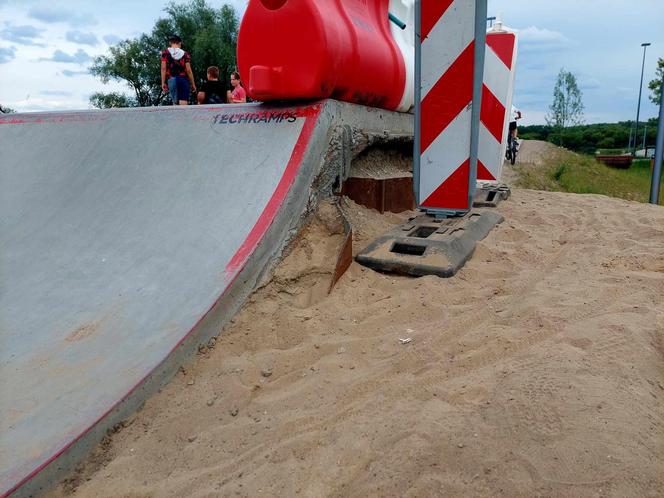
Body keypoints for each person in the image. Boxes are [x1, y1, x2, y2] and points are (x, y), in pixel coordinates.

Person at [161, 35, 196, 105]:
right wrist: (193, 84)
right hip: (183, 80)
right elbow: (189, 70)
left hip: (172, 79)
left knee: (175, 104)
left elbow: (163, 68)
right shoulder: (185, 54)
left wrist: (163, 82)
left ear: (170, 43)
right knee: (183, 104)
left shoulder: (165, 53)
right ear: (179, 43)